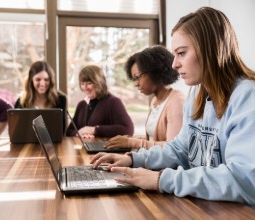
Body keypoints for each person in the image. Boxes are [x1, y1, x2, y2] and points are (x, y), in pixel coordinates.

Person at [90, 7, 255, 207]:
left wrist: (161, 179)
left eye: (182, 53)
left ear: (210, 49)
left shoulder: (247, 97)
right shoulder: (198, 93)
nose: (174, 64)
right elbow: (180, 149)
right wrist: (133, 159)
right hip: (206, 207)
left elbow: (244, 180)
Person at [105, 45, 185, 150]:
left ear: (155, 72)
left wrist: (132, 142)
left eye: (137, 78)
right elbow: (154, 139)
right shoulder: (155, 100)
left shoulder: (176, 101)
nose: (136, 84)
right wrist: (129, 140)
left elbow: (173, 149)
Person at [66, 65, 134, 139]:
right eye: (82, 84)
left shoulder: (113, 102)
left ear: (100, 83)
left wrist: (94, 130)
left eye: (89, 83)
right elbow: (69, 131)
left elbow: (128, 130)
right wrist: (78, 134)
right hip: (84, 149)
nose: (85, 88)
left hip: (106, 149)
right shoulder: (82, 105)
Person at [14, 61, 67, 133]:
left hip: (54, 143)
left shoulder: (61, 99)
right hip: (27, 143)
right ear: (31, 80)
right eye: (38, 79)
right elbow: (17, 132)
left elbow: (62, 131)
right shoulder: (21, 101)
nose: (42, 84)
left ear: (51, 81)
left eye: (46, 80)